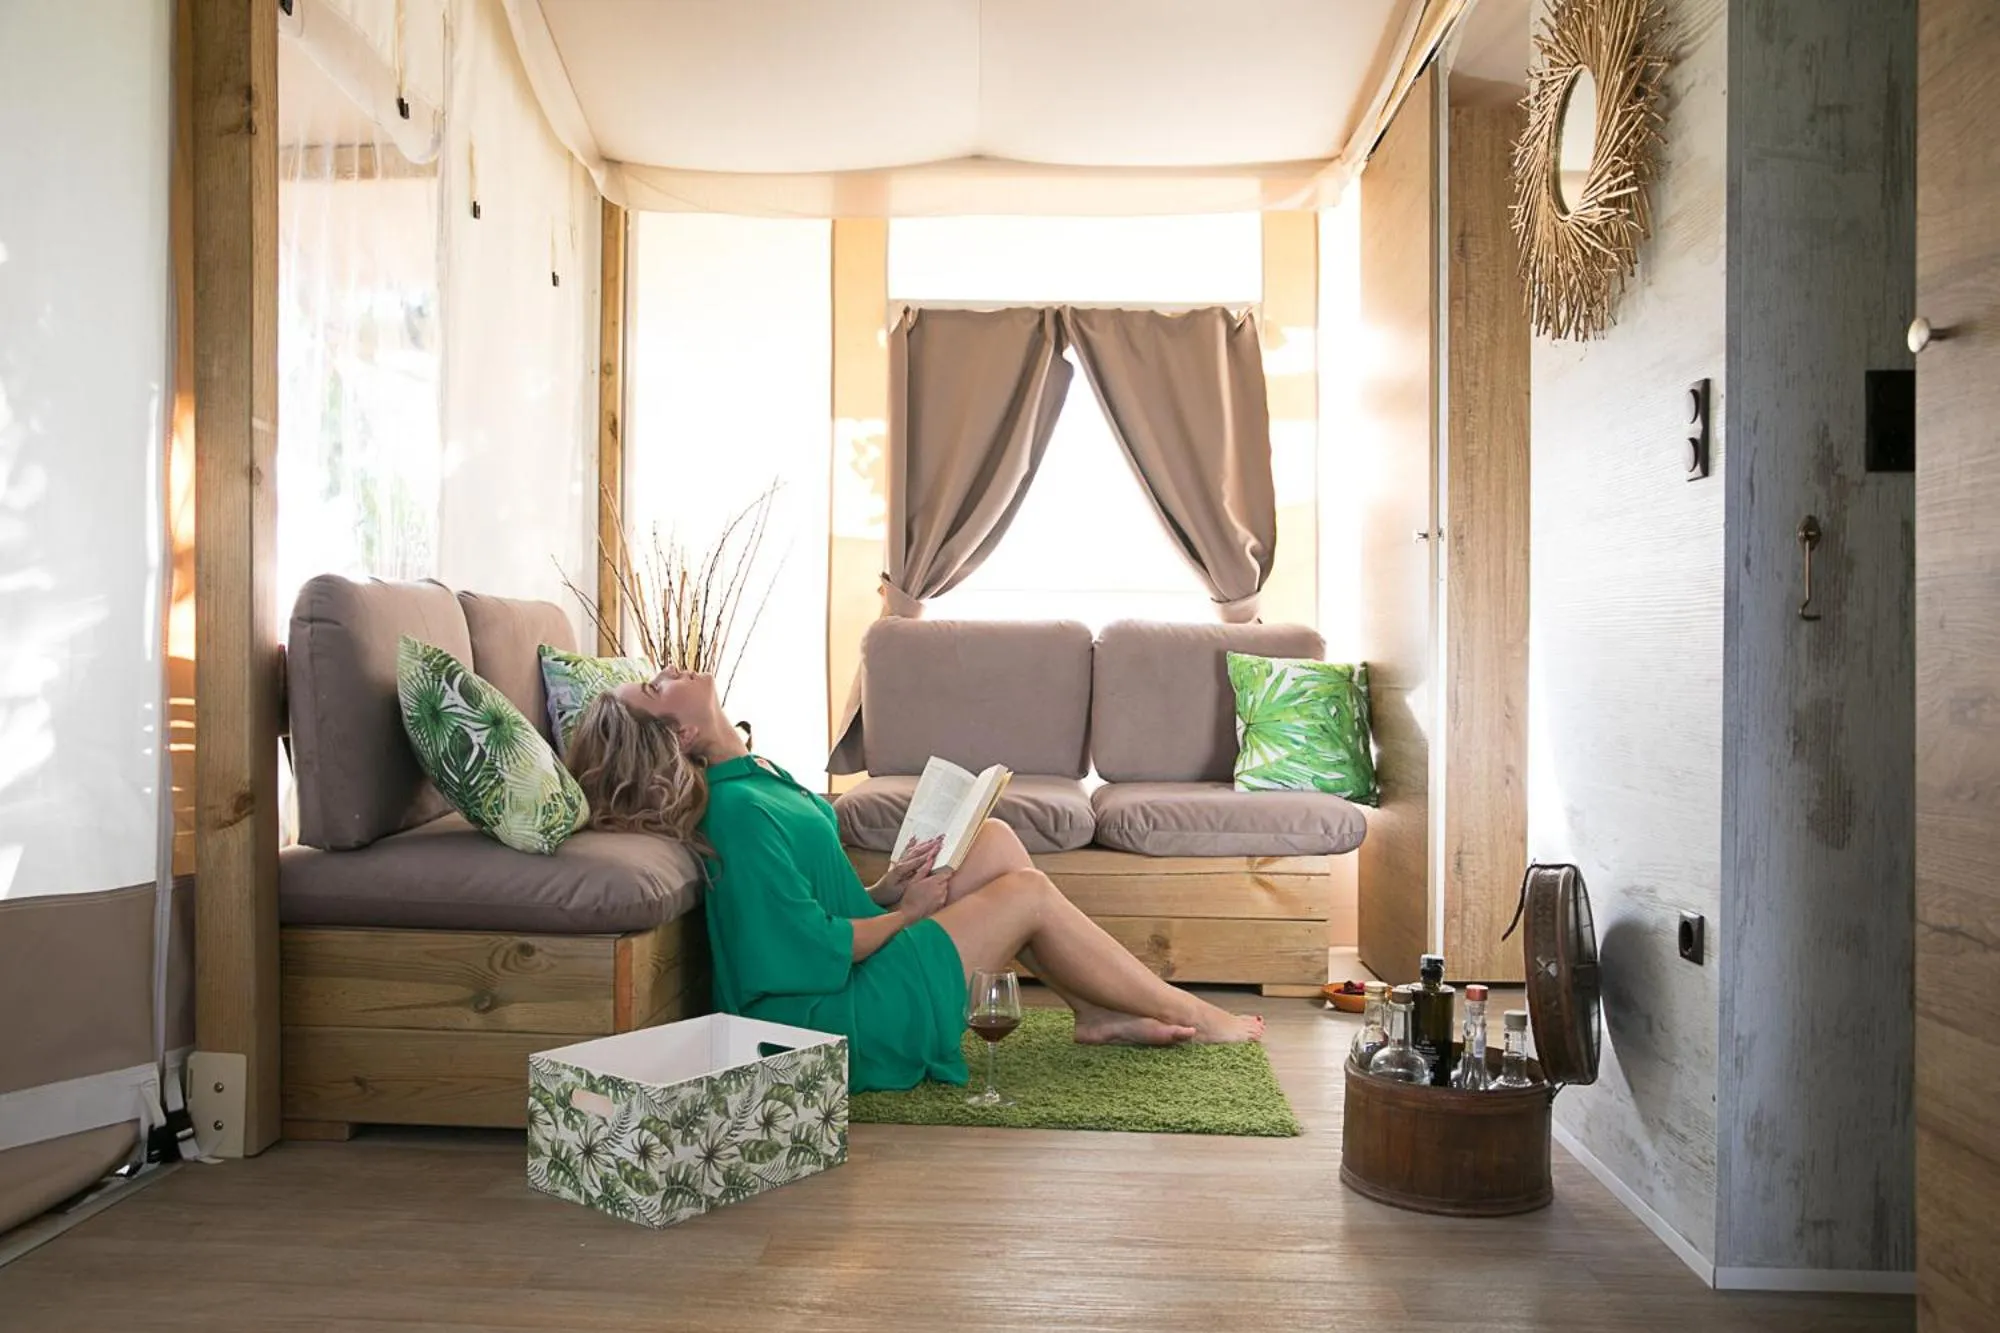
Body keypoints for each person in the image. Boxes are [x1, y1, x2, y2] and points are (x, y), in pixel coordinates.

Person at [563, 665, 1265, 1093]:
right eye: (658, 688)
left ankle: (1097, 1011)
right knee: (1027, 894)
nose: (670, 671)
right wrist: (908, 914)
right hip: (829, 1020)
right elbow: (801, 951)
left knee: (993, 839)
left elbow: (814, 904)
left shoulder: (757, 777)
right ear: (681, 736)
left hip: (849, 966)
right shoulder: (738, 812)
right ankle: (1191, 1013)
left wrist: (887, 890)